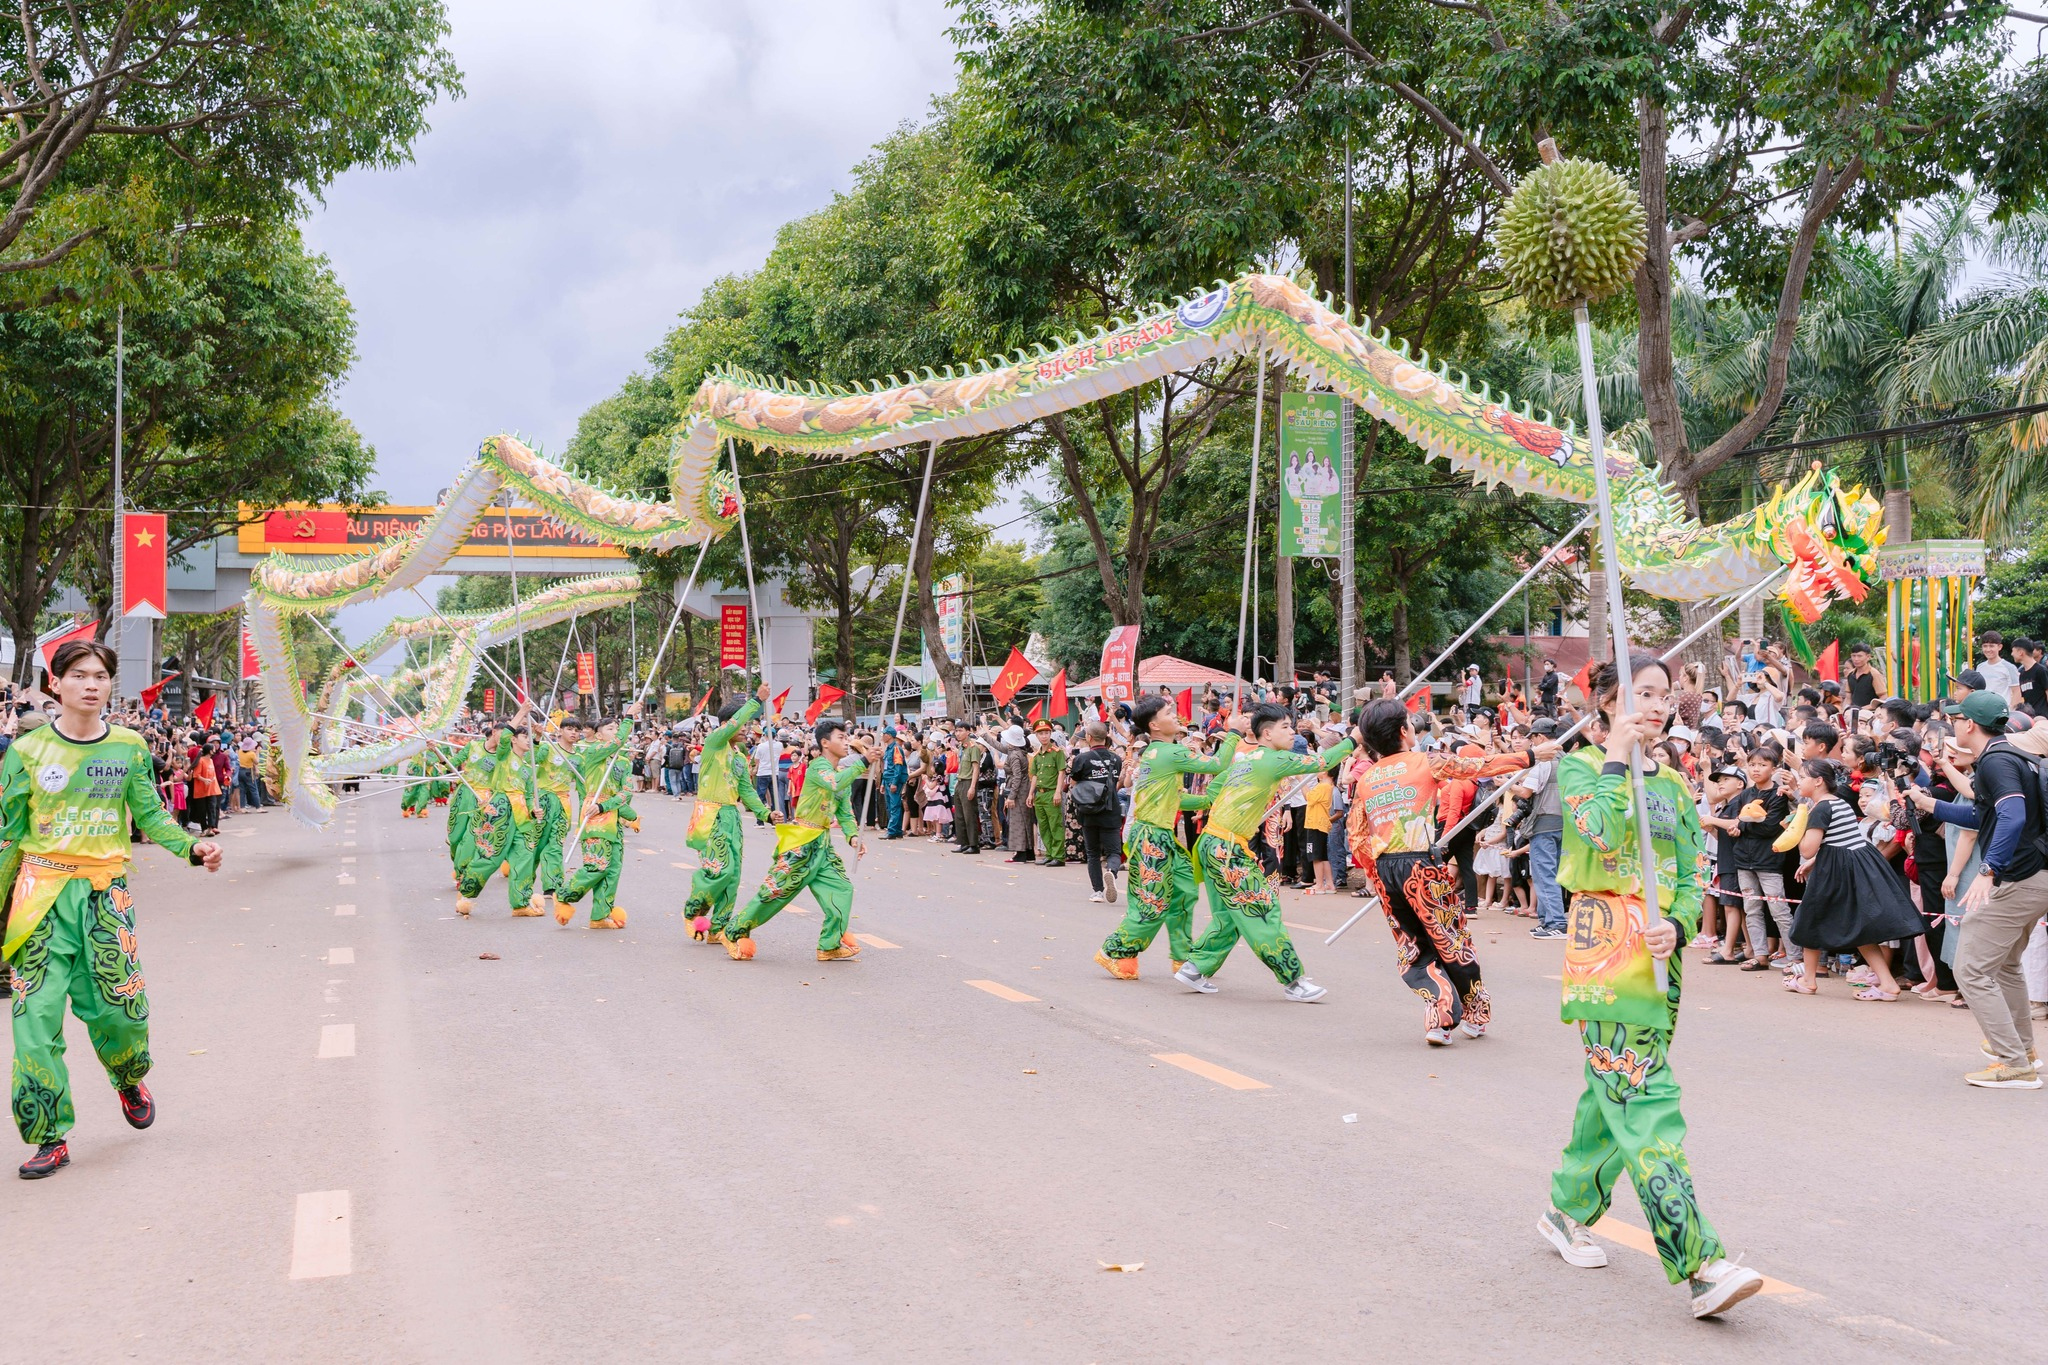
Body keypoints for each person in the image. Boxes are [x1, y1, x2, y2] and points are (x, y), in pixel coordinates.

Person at [1537, 653, 1767, 1320]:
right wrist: (1614, 751)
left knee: (1610, 1090)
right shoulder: (1580, 767)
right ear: (1607, 701)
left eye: (1666, 693)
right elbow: (1602, 835)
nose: (1658, 704)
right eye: (1642, 692)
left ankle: (1566, 1208)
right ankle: (1700, 1262)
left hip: (1661, 962)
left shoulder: (1670, 781)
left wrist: (1679, 919)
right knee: (1645, 1101)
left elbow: (1691, 870)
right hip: (1608, 960)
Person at [1, 639, 224, 1179]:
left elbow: (150, 813)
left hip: (105, 899)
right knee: (34, 1020)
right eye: (78, 675)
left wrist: (191, 847)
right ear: (56, 683)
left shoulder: (127, 747)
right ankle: (49, 1134)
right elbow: (9, 837)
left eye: (100, 675)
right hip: (39, 899)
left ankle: (127, 1078)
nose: (90, 684)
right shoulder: (26, 752)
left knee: (119, 1014)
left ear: (109, 684)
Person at [1350, 701, 1556, 1042]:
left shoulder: (1367, 778)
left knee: (1413, 948)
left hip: (1387, 869)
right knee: (1450, 941)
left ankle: (1446, 1013)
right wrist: (1531, 757)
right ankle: (1462, 1010)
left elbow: (1358, 834)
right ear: (1405, 731)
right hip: (1420, 868)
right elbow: (1478, 765)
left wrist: (1373, 875)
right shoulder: (1426, 760)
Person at [1906, 689, 2048, 1087]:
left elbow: (2013, 816)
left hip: (2020, 879)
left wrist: (1988, 869)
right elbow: (1981, 815)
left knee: (1970, 969)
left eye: (1956, 719)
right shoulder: (2012, 757)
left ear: (1970, 725)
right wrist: (1928, 803)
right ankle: (2024, 1052)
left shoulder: (1997, 761)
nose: (1952, 724)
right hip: (2034, 877)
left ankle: (2014, 1061)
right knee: (2003, 966)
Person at [1173, 704, 1351, 1002]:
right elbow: (1324, 760)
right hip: (1227, 849)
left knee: (1231, 914)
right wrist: (1354, 740)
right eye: (1285, 727)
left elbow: (1213, 792)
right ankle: (1293, 980)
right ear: (1266, 733)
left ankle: (1195, 966)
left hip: (1213, 843)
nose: (1292, 731)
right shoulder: (1272, 759)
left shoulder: (1244, 760)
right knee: (1262, 910)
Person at [1095, 698, 1241, 979]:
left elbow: (1173, 798)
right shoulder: (1167, 753)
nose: (1176, 716)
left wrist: (1207, 798)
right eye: (1168, 713)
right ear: (1154, 725)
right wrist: (1233, 733)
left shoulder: (1159, 752)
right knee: (1152, 904)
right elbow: (1218, 764)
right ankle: (1113, 951)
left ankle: (1182, 954)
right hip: (1151, 838)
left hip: (1161, 836)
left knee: (1185, 891)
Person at [724, 719, 870, 962]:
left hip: (822, 845)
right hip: (801, 844)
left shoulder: (839, 773)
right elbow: (835, 783)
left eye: (847, 737)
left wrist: (853, 836)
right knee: (774, 893)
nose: (846, 742)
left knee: (842, 888)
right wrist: (864, 762)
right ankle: (734, 931)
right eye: (841, 738)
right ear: (824, 743)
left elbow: (844, 811)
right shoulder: (818, 767)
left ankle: (829, 944)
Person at [1780, 759, 1922, 998]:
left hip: (1837, 871)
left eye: (1803, 777)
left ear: (1818, 781)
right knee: (1858, 929)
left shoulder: (1820, 808)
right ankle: (1886, 984)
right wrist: (1814, 862)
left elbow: (1807, 850)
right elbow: (1843, 838)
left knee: (1808, 921)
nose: (1799, 781)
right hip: (1854, 865)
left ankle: (1808, 980)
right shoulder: (1840, 803)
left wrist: (1797, 826)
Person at [684, 685, 778, 943]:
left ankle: (718, 928)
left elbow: (745, 789)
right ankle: (694, 910)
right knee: (719, 870)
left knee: (733, 875)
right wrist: (757, 700)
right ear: (726, 724)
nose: (747, 730)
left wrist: (766, 814)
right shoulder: (714, 743)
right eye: (744, 725)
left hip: (731, 817)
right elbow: (734, 723)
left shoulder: (740, 756)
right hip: (709, 815)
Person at [554, 717, 638, 929]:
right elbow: (618, 741)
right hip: (594, 817)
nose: (616, 732)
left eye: (617, 728)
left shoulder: (623, 762)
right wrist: (629, 718)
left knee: (613, 869)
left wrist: (609, 806)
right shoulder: (592, 754)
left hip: (612, 816)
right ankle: (564, 894)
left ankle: (600, 916)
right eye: (610, 729)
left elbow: (626, 792)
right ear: (599, 735)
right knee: (597, 866)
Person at [456, 719, 543, 918]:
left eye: (531, 737)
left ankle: (520, 904)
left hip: (522, 817)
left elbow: (529, 794)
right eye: (525, 736)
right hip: (501, 810)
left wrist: (533, 810)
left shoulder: (528, 767)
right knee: (491, 858)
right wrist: (523, 712)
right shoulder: (504, 755)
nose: (529, 740)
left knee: (524, 857)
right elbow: (503, 739)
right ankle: (466, 894)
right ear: (513, 739)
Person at [1063, 723, 1124, 900]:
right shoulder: (1116, 759)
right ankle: (1111, 871)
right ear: (1106, 737)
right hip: (1110, 809)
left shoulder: (1082, 759)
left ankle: (1097, 891)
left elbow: (1073, 782)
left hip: (1088, 811)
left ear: (1089, 737)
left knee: (1092, 852)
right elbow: (1114, 782)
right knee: (1113, 852)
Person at [1030, 723, 1066, 866]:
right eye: (1040, 733)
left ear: (1050, 734)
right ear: (1036, 736)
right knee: (1043, 826)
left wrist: (1058, 792)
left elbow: (1061, 772)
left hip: (1052, 792)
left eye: (1046, 733)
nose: (1043, 736)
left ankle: (1058, 856)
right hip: (1040, 794)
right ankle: (1050, 854)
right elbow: (1034, 775)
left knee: (1055, 825)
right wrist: (1030, 793)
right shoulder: (1037, 755)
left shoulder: (1057, 752)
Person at [1978, 631, 2022, 708]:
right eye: (1985, 646)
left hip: (2002, 711)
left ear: (1999, 647)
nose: (1988, 649)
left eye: (1991, 646)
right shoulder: (1980, 667)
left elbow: (2017, 691)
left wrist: (2011, 712)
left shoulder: (2009, 667)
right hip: (1984, 710)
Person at [1844, 642, 1886, 708]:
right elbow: (1848, 697)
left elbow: (1884, 696)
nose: (1856, 659)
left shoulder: (1874, 674)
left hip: (1870, 713)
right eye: (1853, 656)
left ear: (1868, 657)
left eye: (1859, 656)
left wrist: (1866, 708)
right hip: (1853, 712)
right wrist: (1845, 709)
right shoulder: (1850, 674)